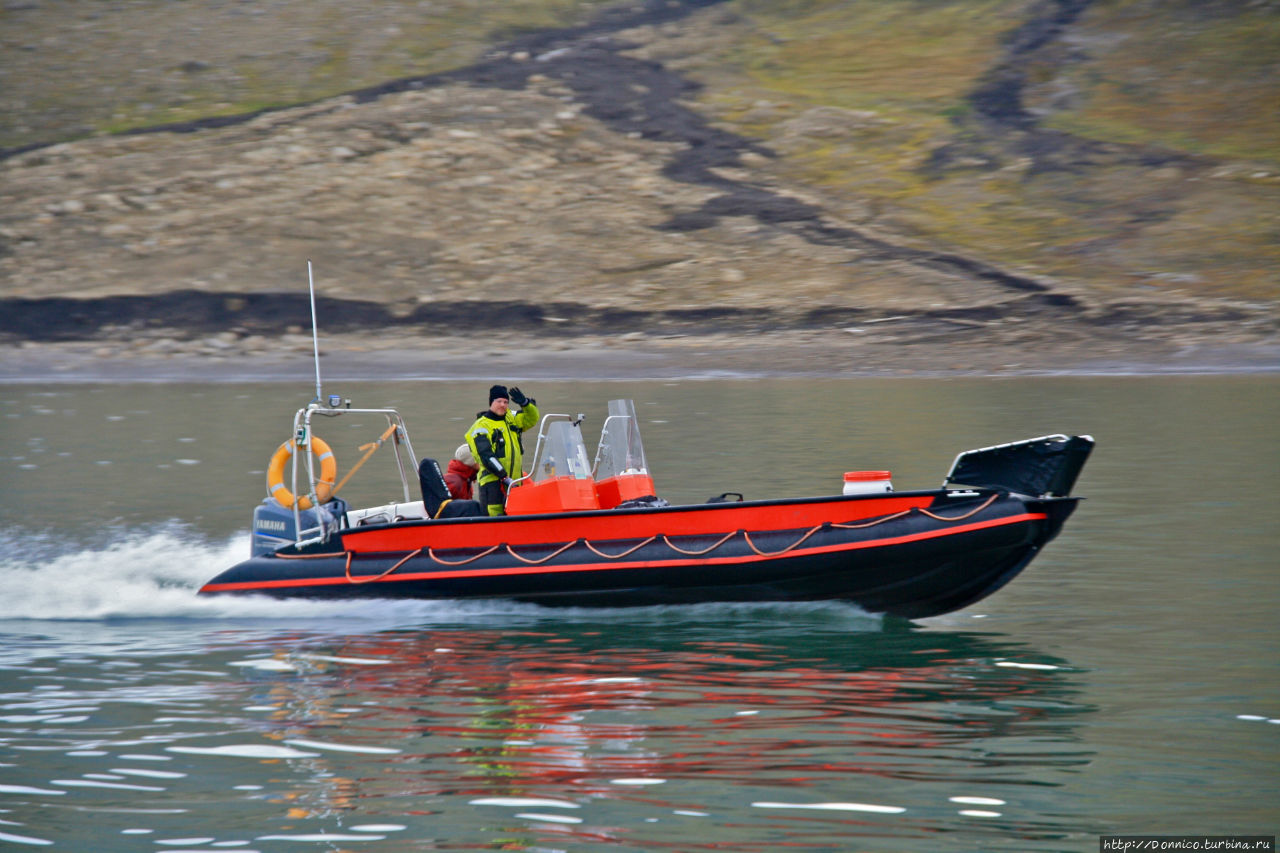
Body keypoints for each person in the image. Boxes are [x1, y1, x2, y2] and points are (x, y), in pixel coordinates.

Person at [464, 384, 539, 516]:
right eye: (498, 401)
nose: (503, 405)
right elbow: (486, 456)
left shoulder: (511, 419)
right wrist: (504, 477)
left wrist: (525, 404)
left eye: (505, 402)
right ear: (491, 402)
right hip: (493, 484)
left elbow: (532, 419)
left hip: (514, 483)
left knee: (516, 516)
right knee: (494, 519)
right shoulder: (480, 426)